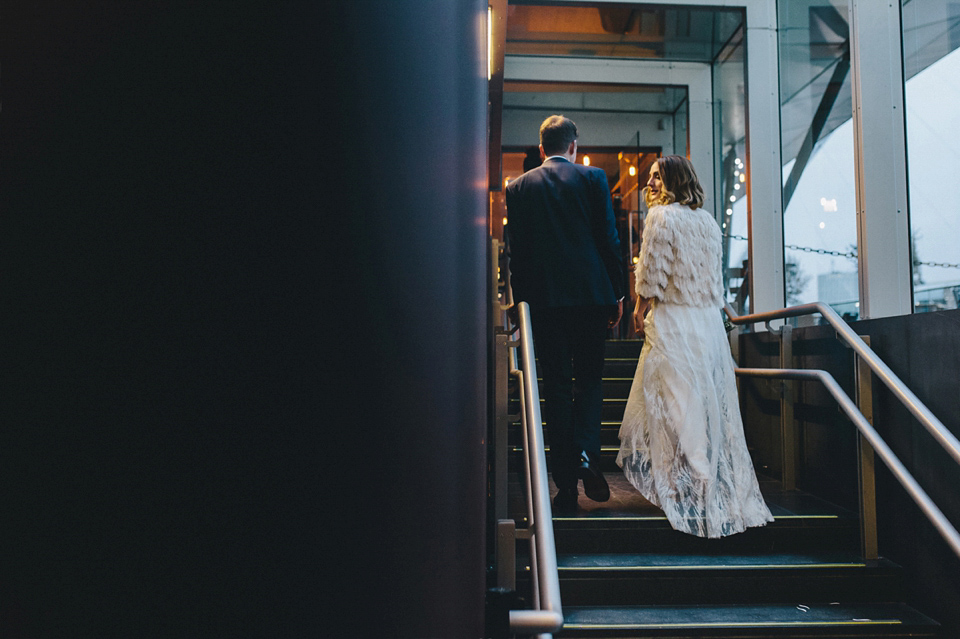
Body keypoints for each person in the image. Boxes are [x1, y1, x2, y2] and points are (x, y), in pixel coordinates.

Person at [617, 155, 773, 537]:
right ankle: (690, 477)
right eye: (650, 177)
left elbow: (652, 272)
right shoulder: (707, 221)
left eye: (656, 177)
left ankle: (700, 477)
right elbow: (711, 279)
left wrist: (639, 309)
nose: (649, 183)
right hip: (705, 322)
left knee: (676, 401)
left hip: (673, 319)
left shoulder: (661, 217)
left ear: (674, 180)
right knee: (698, 400)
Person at [506, 115, 625, 514]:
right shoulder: (593, 180)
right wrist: (617, 293)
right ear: (574, 146)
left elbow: (517, 255)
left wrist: (520, 307)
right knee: (589, 382)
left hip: (544, 303)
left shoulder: (519, 187)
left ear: (541, 149)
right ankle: (588, 457)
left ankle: (565, 485)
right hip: (591, 298)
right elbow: (608, 239)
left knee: (555, 387)